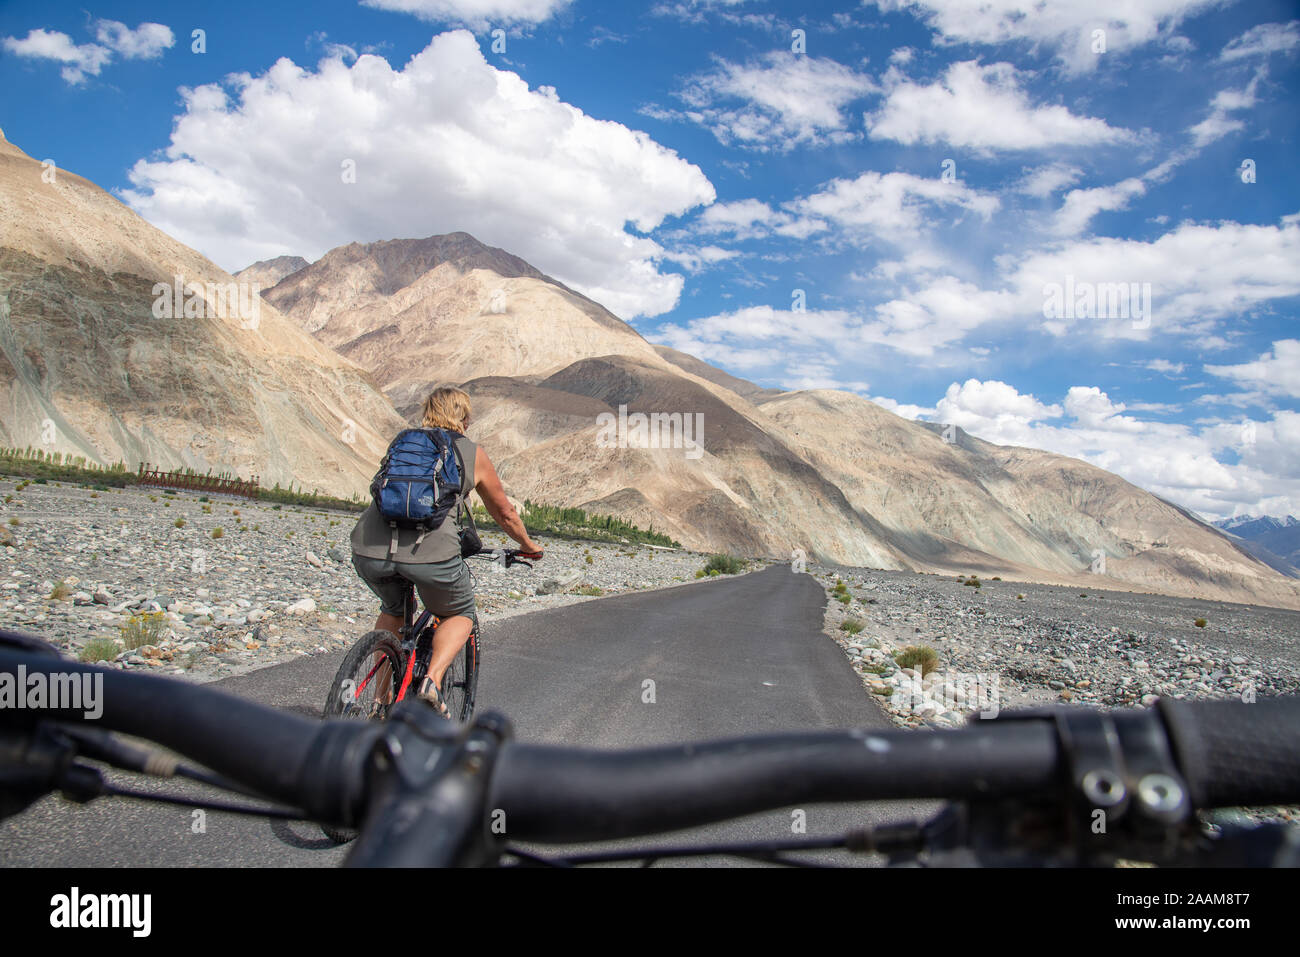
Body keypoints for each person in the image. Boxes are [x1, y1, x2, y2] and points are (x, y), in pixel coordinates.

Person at [350, 386, 542, 717]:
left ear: (427, 410)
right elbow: (505, 513)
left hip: (369, 548)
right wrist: (528, 546)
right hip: (432, 554)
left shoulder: (403, 442)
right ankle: (432, 682)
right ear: (465, 418)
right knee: (460, 612)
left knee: (394, 609)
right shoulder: (471, 453)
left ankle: (380, 702)